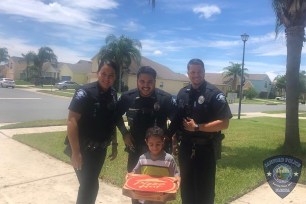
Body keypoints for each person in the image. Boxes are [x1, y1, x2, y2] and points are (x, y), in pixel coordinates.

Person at [172, 58, 232, 204]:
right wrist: (174, 141)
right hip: (185, 148)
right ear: (188, 73)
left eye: (199, 71)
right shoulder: (182, 93)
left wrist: (198, 127)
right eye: (192, 72)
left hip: (206, 149)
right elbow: (176, 120)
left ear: (204, 72)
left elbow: (224, 123)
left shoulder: (214, 93)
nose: (196, 75)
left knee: (205, 190)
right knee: (186, 187)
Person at [65, 60, 119, 204]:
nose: (107, 78)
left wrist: (114, 144)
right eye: (104, 74)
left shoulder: (113, 94)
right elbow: (72, 121)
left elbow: (111, 120)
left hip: (100, 149)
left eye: (111, 75)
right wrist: (76, 153)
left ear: (115, 77)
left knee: (90, 184)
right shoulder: (84, 92)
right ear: (97, 73)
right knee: (89, 186)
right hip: (82, 148)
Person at [116, 66, 177, 172]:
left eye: (150, 82)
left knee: (159, 180)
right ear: (137, 81)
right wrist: (125, 133)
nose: (145, 85)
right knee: (134, 180)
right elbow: (116, 115)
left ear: (155, 81)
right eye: (142, 81)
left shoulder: (165, 98)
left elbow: (177, 119)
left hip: (158, 148)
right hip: (135, 146)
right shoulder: (128, 97)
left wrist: (168, 135)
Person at [129, 126, 180, 204]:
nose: (154, 147)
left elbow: (176, 175)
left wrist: (177, 180)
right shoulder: (142, 159)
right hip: (144, 198)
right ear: (146, 142)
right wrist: (130, 175)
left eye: (158, 144)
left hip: (160, 198)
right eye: (151, 144)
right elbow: (135, 173)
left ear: (163, 141)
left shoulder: (169, 159)